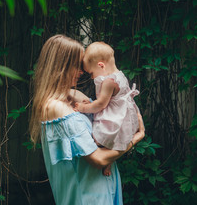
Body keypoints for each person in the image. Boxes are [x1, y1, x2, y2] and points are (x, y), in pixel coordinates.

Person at [29, 35, 145, 204]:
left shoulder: (73, 96)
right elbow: (98, 159)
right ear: (61, 67)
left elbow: (111, 117)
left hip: (103, 186)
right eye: (77, 65)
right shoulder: (55, 107)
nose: (82, 71)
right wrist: (136, 139)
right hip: (87, 195)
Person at [75, 41, 140, 176]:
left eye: (91, 72)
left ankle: (105, 161)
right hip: (123, 115)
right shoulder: (120, 75)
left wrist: (83, 107)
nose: (91, 77)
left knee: (101, 137)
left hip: (114, 115)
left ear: (101, 65)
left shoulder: (109, 82)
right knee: (113, 141)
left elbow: (101, 105)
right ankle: (109, 164)